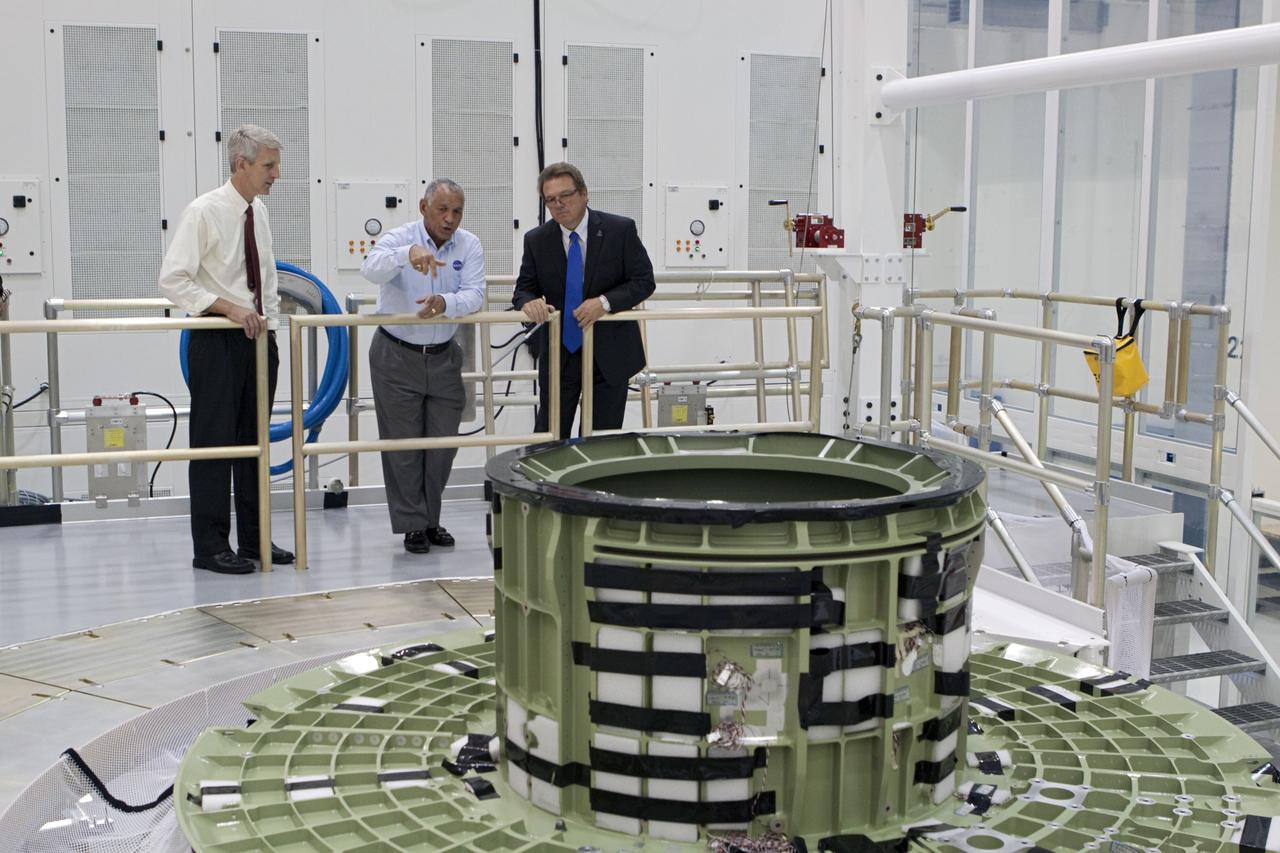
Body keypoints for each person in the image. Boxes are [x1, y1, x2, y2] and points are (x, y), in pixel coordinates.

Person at [159, 124, 293, 574]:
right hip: (218, 341)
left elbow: (265, 278)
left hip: (258, 341)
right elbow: (174, 279)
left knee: (253, 443)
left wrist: (268, 328)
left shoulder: (258, 212)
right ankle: (211, 546)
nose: (276, 174)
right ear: (241, 165)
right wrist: (229, 309)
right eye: (268, 166)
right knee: (214, 445)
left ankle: (254, 540)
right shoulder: (203, 212)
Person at [361, 179, 485, 554]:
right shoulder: (399, 237)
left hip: (445, 354)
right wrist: (406, 254)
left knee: (443, 444)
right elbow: (370, 269)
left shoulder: (470, 244)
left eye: (457, 211)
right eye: (442, 210)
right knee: (404, 446)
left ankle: (431, 518)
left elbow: (475, 293)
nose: (450, 219)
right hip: (397, 354)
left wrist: (445, 303)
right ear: (423, 207)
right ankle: (413, 524)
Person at [513, 163, 655, 437]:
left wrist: (604, 302)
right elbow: (523, 289)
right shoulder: (537, 240)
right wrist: (528, 303)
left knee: (601, 440)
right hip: (560, 355)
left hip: (609, 354)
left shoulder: (620, 230)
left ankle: (593, 483)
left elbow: (644, 281)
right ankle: (549, 483)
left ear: (584, 194)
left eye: (565, 195)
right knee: (550, 436)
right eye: (551, 200)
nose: (559, 204)